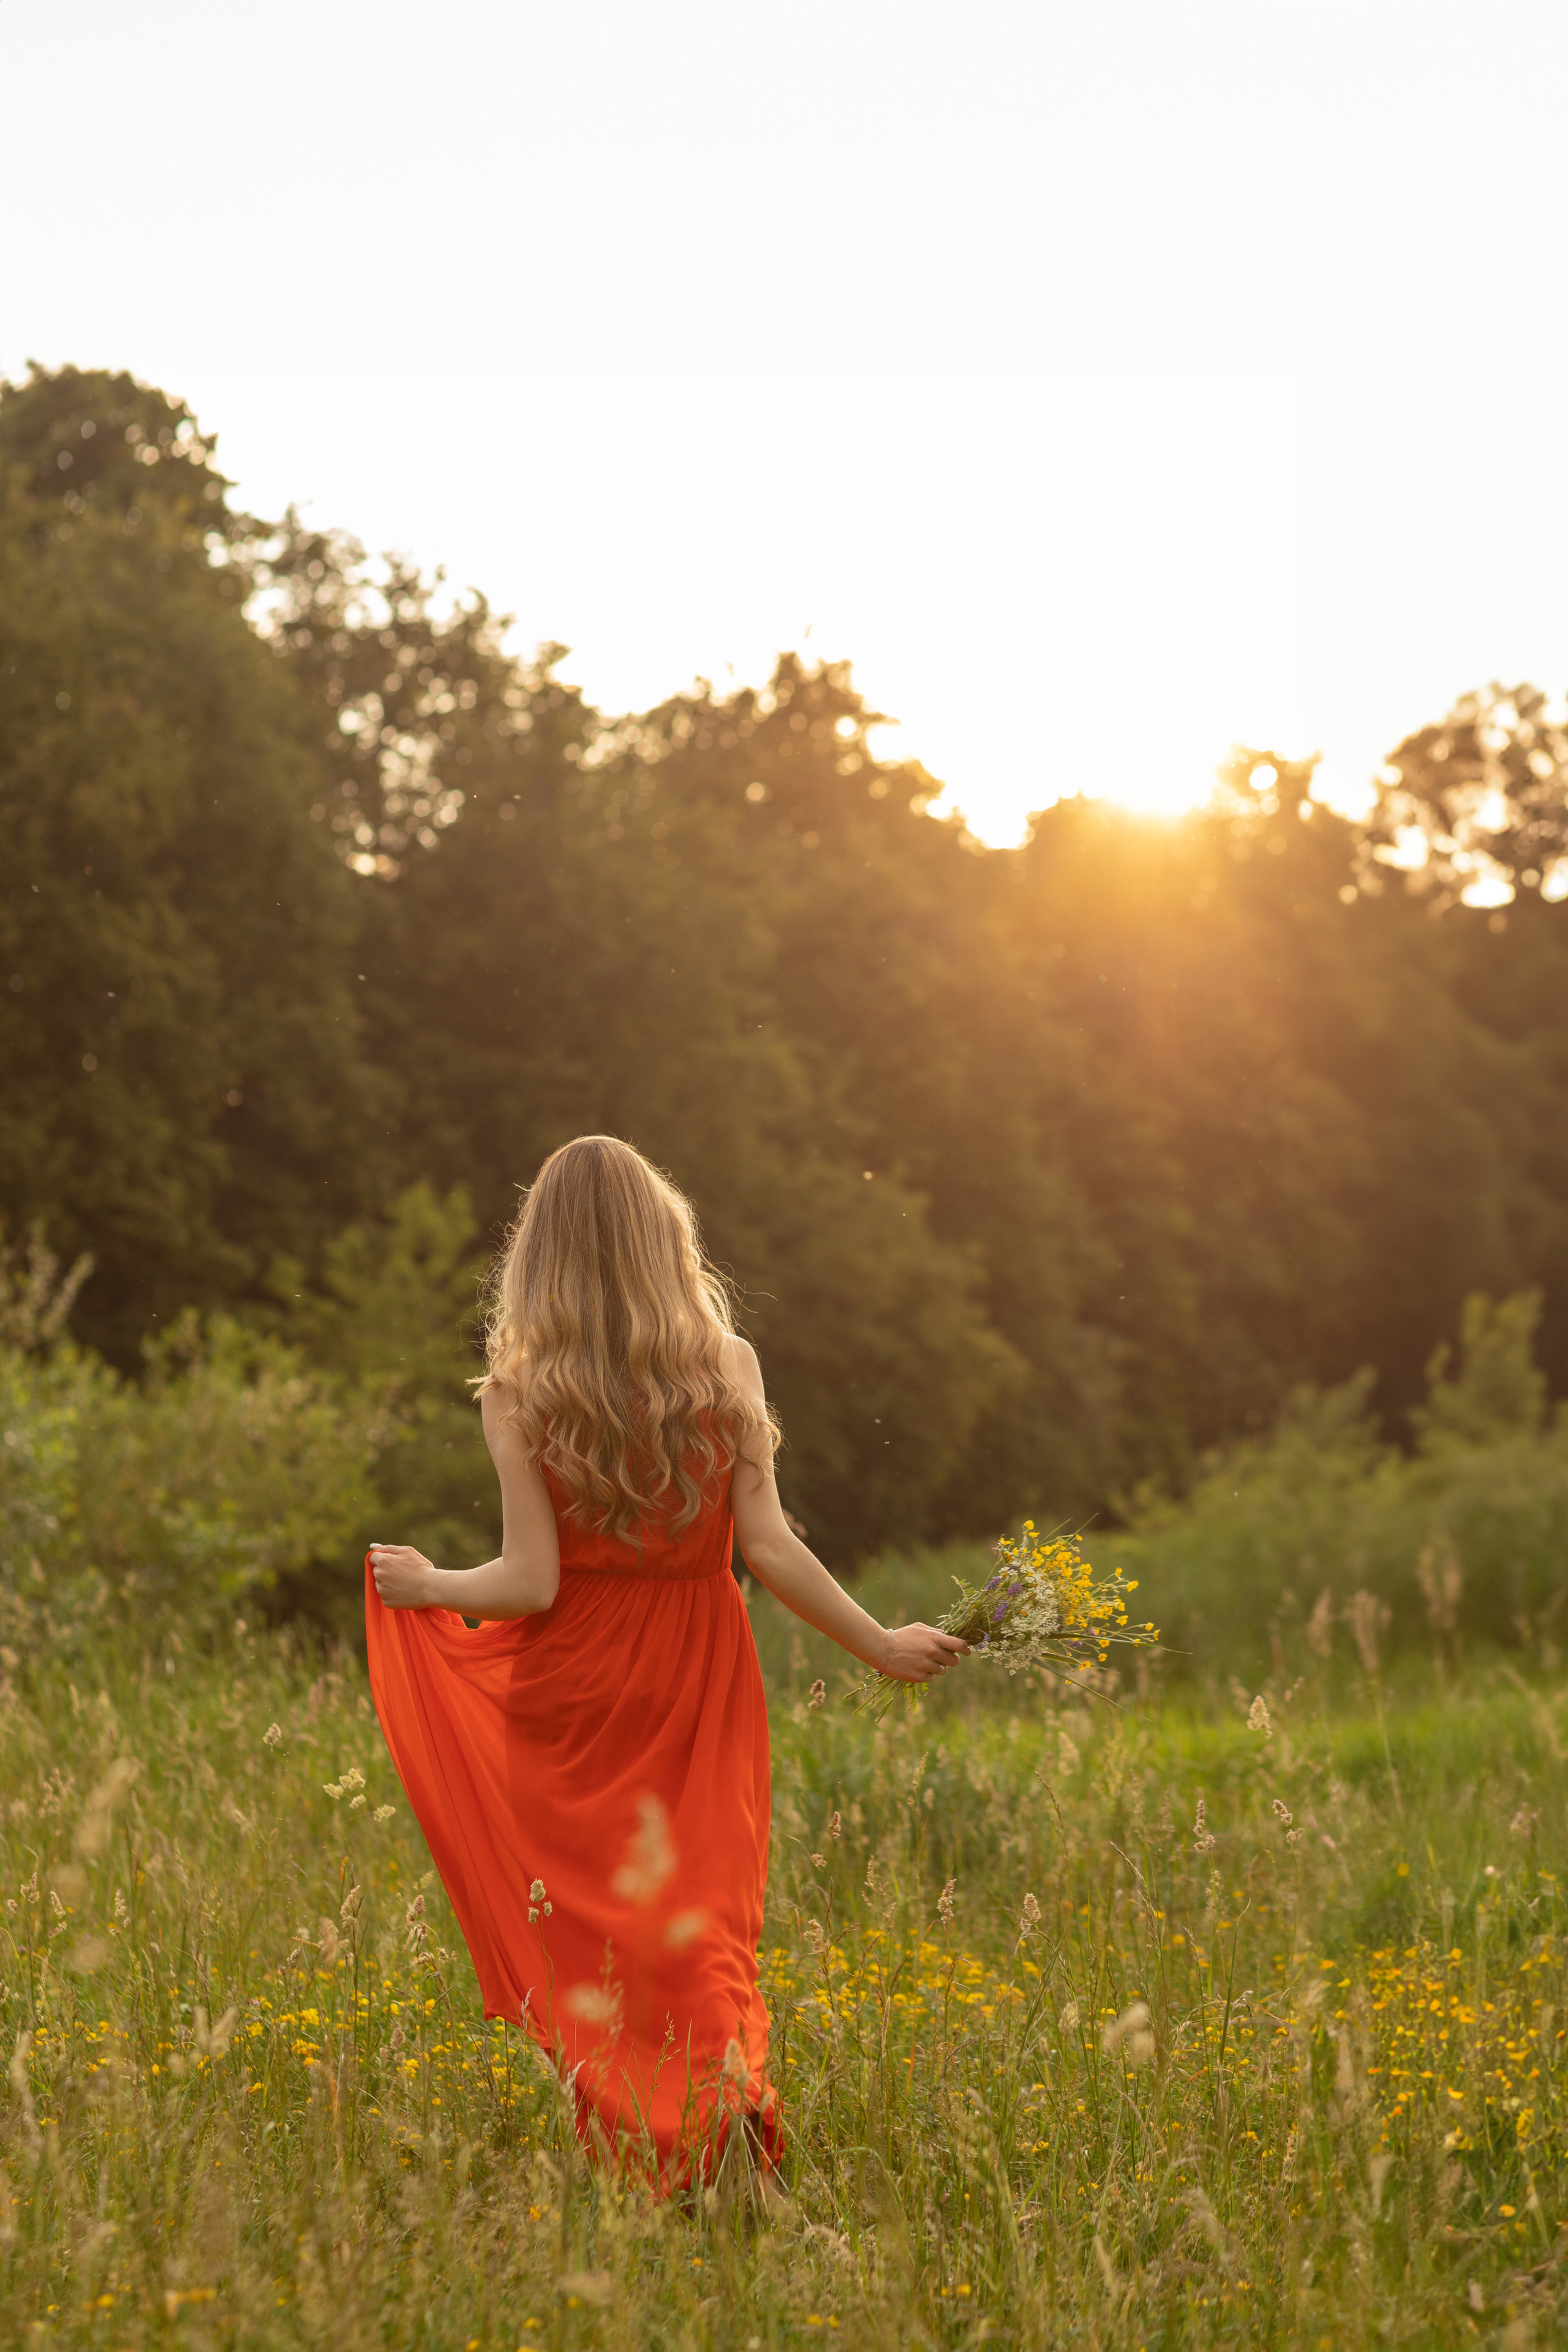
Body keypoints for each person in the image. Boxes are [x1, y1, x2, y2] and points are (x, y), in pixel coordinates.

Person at [366, 1135, 967, 2187]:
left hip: (570, 1685)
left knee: (591, 1933)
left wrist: (433, 1586)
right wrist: (877, 1641)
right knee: (700, 1924)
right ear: (663, 1236)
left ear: (537, 1253)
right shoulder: (724, 1366)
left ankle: (668, 2147)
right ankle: (720, 2141)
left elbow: (530, 1582)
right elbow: (768, 1545)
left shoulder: (516, 1392)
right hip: (698, 1671)